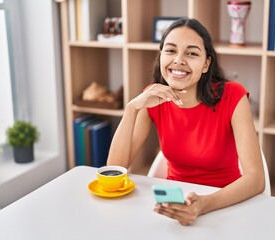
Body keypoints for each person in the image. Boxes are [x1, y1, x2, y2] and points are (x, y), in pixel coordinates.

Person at [107, 18, 265, 226]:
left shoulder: (232, 96)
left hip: (224, 203)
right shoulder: (152, 98)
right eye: (170, 51)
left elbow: (256, 179)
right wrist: (131, 109)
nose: (179, 60)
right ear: (161, 55)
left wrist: (204, 205)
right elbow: (115, 168)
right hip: (174, 205)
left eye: (191, 53)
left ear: (206, 63)